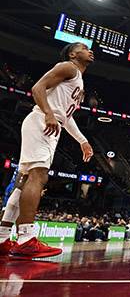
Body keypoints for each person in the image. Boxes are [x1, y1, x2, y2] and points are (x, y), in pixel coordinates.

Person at [0, 43, 94, 258]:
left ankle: (2, 237)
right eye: (84, 47)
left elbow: (66, 117)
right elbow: (37, 88)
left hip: (50, 124)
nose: (90, 50)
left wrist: (83, 140)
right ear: (73, 54)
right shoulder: (68, 67)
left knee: (22, 182)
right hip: (42, 122)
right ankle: (26, 238)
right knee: (38, 176)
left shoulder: (78, 79)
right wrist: (48, 113)